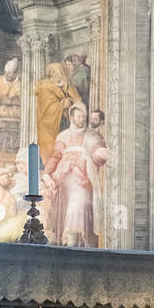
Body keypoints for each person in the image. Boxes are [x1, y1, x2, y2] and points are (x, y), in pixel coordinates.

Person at [46, 102, 109, 246]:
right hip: (63, 179)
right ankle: (62, 242)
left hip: (82, 180)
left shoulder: (92, 135)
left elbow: (98, 153)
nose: (81, 119)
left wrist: (97, 155)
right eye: (78, 116)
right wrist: (47, 174)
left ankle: (74, 242)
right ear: (72, 117)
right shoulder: (64, 136)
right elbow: (56, 156)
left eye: (83, 117)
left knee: (78, 204)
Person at [34, 63, 82, 164]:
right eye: (56, 73)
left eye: (60, 73)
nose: (59, 75)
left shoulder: (61, 85)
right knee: (52, 151)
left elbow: (76, 98)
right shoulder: (45, 87)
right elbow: (46, 110)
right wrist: (62, 104)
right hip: (49, 127)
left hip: (62, 122)